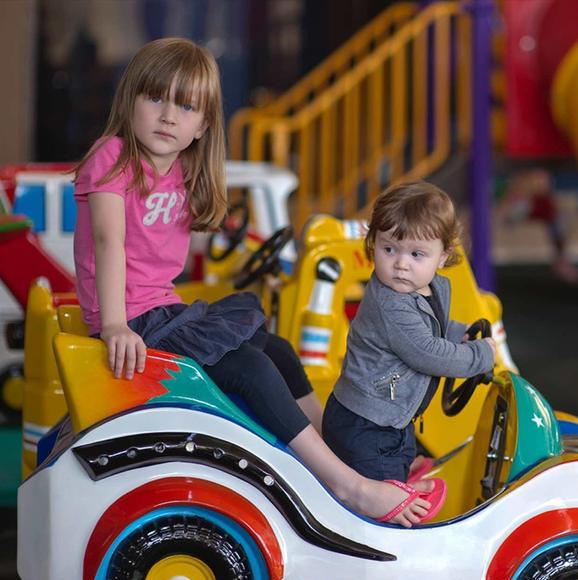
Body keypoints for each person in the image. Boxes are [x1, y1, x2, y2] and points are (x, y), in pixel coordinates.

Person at [72, 37, 430, 527]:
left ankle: (351, 458)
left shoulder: (183, 169)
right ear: (130, 98)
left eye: (185, 105)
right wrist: (114, 325)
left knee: (278, 351)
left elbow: (179, 245)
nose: (168, 116)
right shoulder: (113, 157)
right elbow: (110, 242)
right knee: (250, 369)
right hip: (134, 320)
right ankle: (347, 485)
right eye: (155, 98)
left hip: (164, 311)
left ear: (202, 126)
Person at [322, 181, 497, 520]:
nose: (401, 264)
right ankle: (382, 537)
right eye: (390, 250)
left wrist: (462, 334)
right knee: (379, 506)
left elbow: (433, 326)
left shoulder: (430, 287)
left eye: (416, 254)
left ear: (442, 256)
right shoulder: (392, 303)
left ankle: (398, 479)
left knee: (399, 455)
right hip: (366, 425)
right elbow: (430, 353)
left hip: (390, 417)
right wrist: (481, 356)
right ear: (374, 244)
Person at [500, 168, 578, 284]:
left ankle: (562, 261)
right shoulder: (521, 194)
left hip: (537, 209)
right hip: (522, 205)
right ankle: (561, 261)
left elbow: (555, 212)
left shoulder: (546, 202)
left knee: (560, 223)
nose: (541, 185)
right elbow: (508, 210)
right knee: (520, 207)